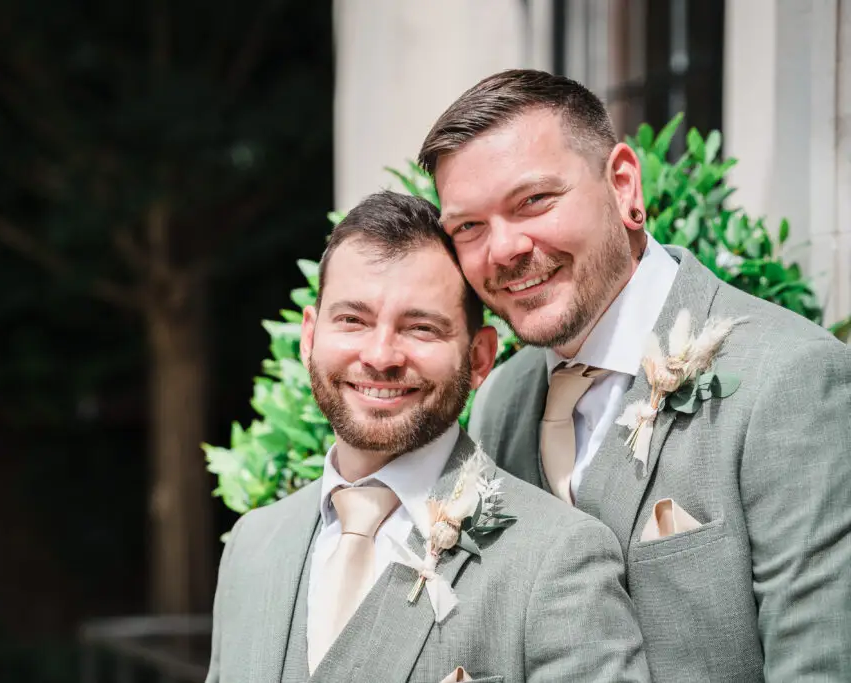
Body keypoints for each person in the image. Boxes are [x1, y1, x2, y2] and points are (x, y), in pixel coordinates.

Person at [418, 68, 851, 682]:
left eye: (534, 201)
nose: (505, 249)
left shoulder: (790, 378)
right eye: (469, 227)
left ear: (623, 185)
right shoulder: (501, 406)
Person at [205, 191, 650, 682]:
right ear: (310, 337)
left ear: (479, 358)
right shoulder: (252, 543)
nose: (380, 356)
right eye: (352, 320)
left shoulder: (559, 559)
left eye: (420, 328)